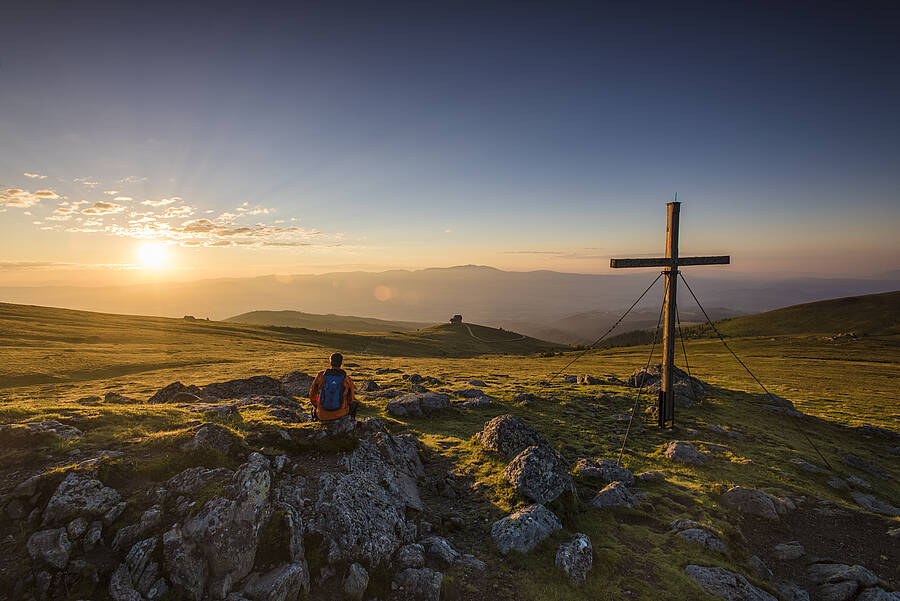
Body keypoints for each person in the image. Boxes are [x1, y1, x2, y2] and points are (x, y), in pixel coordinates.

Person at [308, 352, 358, 421]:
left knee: (313, 409)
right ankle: (350, 424)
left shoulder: (320, 375)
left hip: (321, 415)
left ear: (330, 362)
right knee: (354, 404)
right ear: (341, 363)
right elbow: (351, 399)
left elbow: (312, 394)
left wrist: (317, 406)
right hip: (340, 414)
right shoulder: (347, 379)